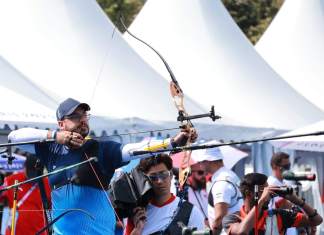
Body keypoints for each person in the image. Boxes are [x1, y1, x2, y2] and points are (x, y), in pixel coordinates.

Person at [8, 97, 196, 235]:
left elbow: (133, 149)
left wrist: (171, 143)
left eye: (85, 115)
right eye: (75, 116)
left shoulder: (100, 149)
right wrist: (55, 136)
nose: (82, 119)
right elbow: (13, 138)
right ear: (61, 123)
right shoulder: (50, 149)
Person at [125, 154, 205, 235]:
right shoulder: (138, 214)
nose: (159, 181)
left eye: (163, 174)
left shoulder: (190, 211)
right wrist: (137, 229)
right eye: (153, 177)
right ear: (144, 179)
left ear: (170, 175)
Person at [222, 173, 323, 235]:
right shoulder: (232, 218)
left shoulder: (279, 215)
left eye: (268, 189)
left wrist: (298, 201)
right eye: (263, 190)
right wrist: (261, 200)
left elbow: (317, 220)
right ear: (249, 193)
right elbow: (241, 232)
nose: (268, 194)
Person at [0, 155, 51, 235]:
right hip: (14, 231)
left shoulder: (47, 184)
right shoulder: (12, 179)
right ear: (24, 167)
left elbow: (50, 210)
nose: (34, 177)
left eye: (37, 173)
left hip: (39, 231)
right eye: (32, 173)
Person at [199, 149, 243, 234]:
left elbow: (220, 217)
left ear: (209, 160)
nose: (200, 164)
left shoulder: (221, 182)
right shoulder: (230, 175)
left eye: (201, 161)